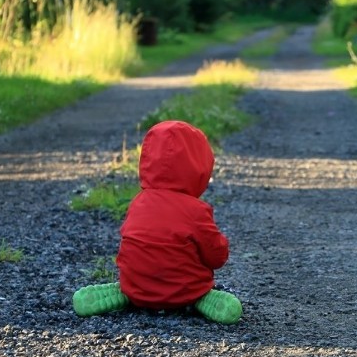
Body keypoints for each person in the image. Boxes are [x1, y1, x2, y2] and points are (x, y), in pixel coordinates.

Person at [72, 121, 242, 325]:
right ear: (200, 168)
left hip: (136, 285)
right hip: (184, 291)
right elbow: (216, 256)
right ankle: (199, 298)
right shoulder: (196, 211)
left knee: (139, 270)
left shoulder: (138, 203)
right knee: (198, 289)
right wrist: (222, 247)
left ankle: (127, 291)